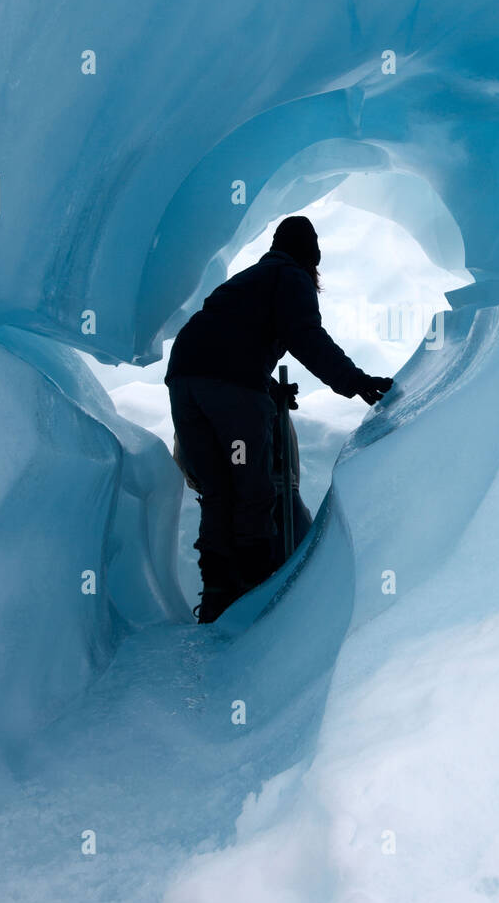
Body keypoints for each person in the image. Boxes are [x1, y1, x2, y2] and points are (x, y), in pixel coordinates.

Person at [165, 215, 393, 622]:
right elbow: (305, 336)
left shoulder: (250, 279)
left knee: (218, 491)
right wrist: (353, 380)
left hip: (185, 380)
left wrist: (268, 387)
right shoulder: (292, 277)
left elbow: (228, 339)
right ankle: (258, 597)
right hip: (230, 387)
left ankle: (216, 600)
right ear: (312, 255)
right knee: (252, 489)